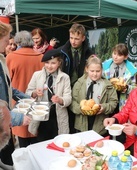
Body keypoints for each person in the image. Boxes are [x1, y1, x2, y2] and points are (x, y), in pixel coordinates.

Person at [0, 21, 31, 168]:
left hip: (5, 127)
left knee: (8, 158)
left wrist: (26, 98)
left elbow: (9, 88)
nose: (8, 44)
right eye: (6, 40)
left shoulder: (2, 60)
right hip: (3, 124)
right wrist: (18, 118)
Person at [6, 30, 44, 148]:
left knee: (23, 142)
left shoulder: (11, 57)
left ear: (17, 41)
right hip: (38, 101)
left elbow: (7, 83)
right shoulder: (41, 57)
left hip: (19, 103)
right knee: (37, 138)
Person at [26, 49, 72, 142]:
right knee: (41, 142)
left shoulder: (65, 77)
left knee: (57, 141)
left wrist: (60, 100)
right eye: (47, 62)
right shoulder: (37, 75)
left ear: (59, 63)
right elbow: (28, 92)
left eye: (53, 63)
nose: (49, 66)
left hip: (56, 116)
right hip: (41, 116)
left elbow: (68, 98)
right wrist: (35, 92)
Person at [57, 23, 93, 133]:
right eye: (71, 38)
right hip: (66, 89)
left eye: (76, 39)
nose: (73, 41)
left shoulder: (89, 53)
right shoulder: (62, 51)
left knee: (79, 116)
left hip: (82, 89)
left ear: (83, 38)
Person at [69, 55, 118, 136]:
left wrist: (104, 107)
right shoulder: (79, 83)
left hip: (100, 124)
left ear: (102, 70)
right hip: (81, 123)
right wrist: (80, 109)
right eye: (92, 71)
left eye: (98, 71)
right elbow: (72, 101)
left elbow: (113, 102)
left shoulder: (108, 85)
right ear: (86, 69)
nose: (95, 74)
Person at [102, 43, 137, 112]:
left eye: (119, 55)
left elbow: (136, 87)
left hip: (122, 102)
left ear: (125, 57)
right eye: (114, 53)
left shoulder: (131, 70)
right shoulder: (104, 66)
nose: (115, 57)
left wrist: (127, 88)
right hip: (107, 101)